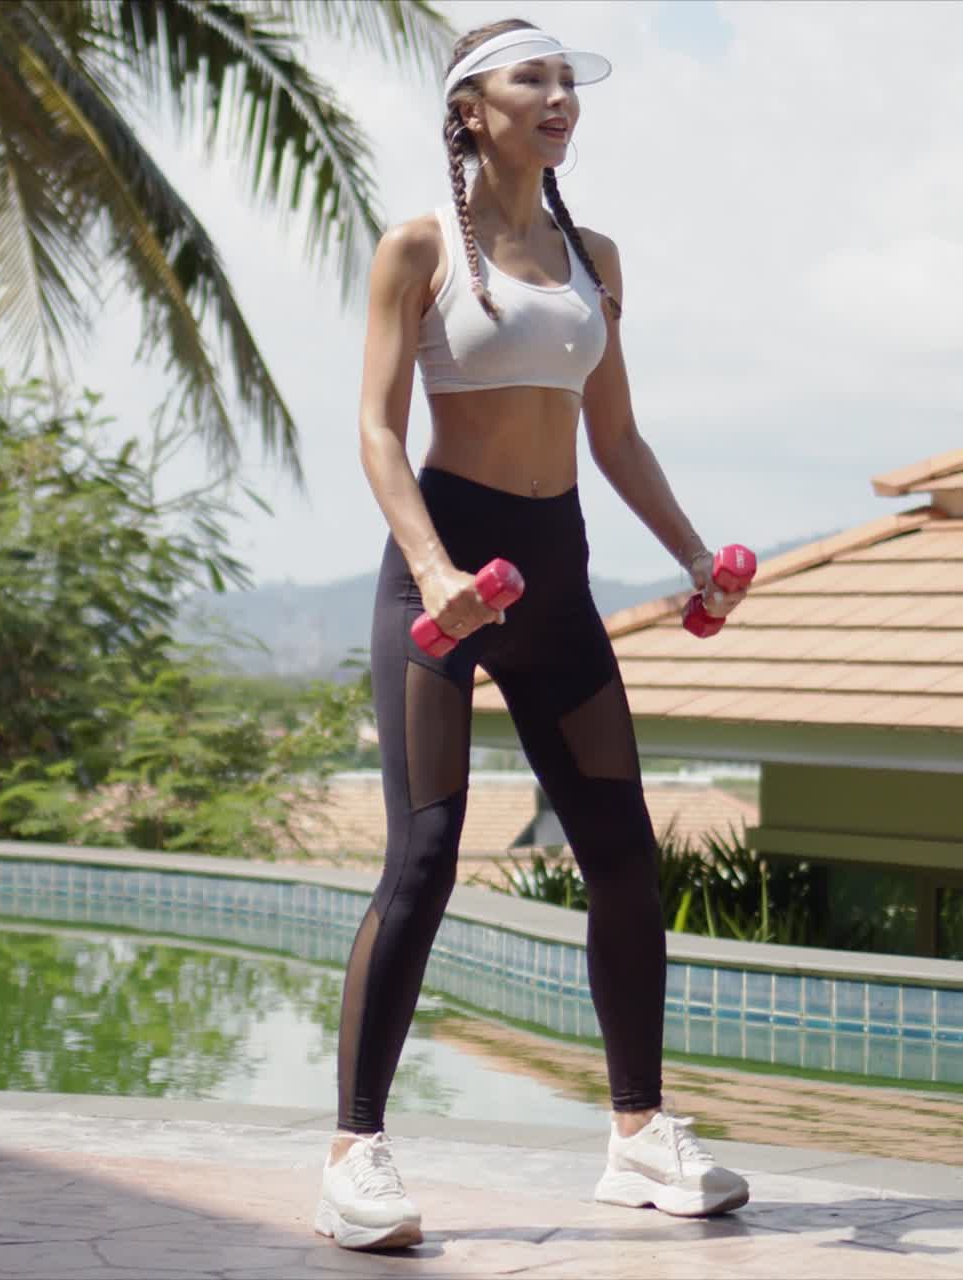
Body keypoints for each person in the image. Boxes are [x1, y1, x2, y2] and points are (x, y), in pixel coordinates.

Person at [312, 19, 753, 1252]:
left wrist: (686, 553)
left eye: (568, 81)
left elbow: (613, 437)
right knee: (426, 855)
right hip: (445, 577)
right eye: (532, 78)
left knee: (619, 852)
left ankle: (635, 1135)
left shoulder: (592, 255)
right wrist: (432, 569)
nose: (558, 96)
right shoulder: (417, 247)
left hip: (552, 575)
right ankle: (353, 1152)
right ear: (469, 110)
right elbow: (376, 430)